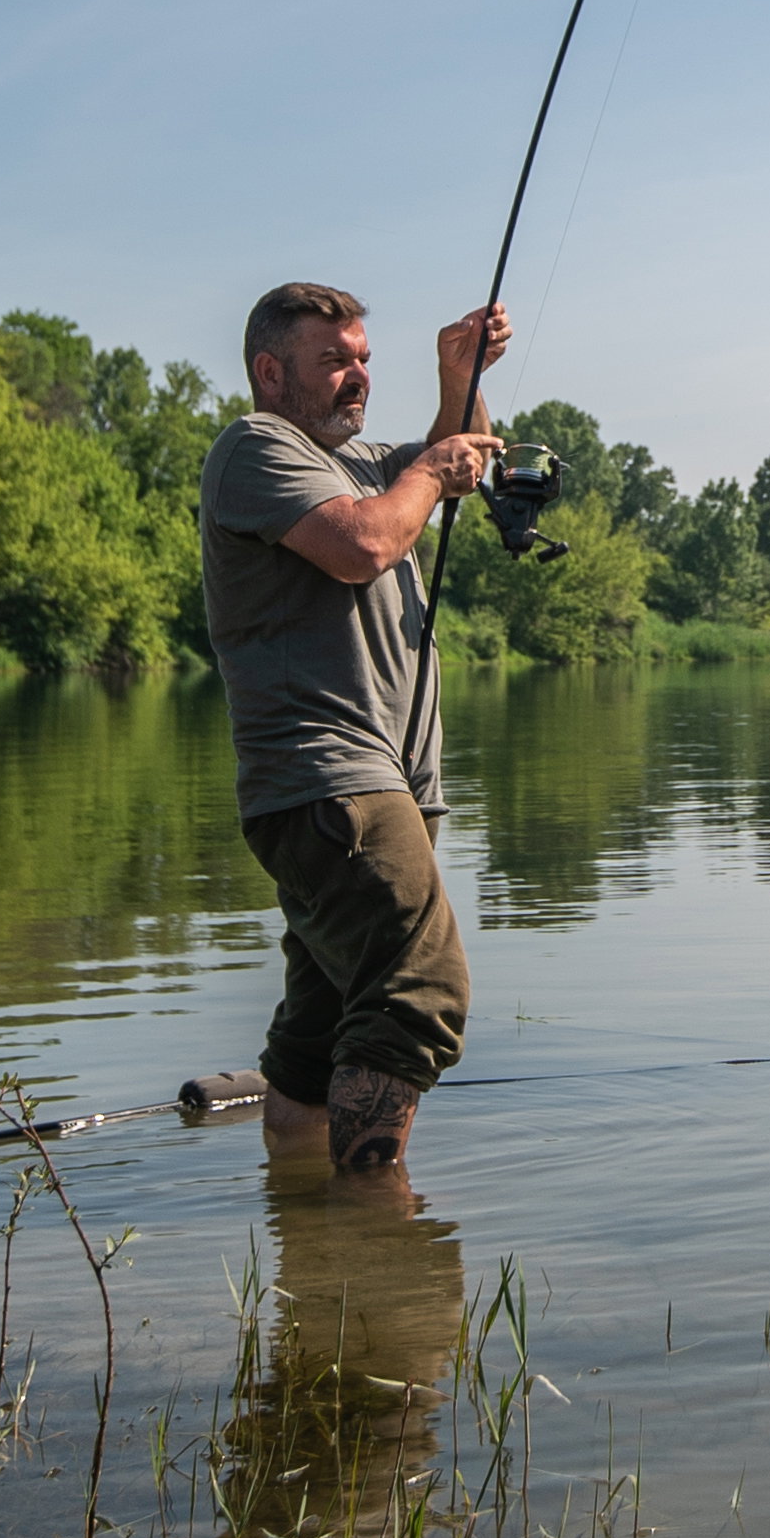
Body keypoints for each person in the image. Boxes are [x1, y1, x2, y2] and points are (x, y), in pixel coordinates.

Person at [198, 279, 509, 1176]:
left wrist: (461, 375)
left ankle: (303, 1224)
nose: (357, 376)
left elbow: (462, 458)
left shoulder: (370, 462)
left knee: (322, 1021)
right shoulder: (254, 447)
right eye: (334, 360)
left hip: (377, 786)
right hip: (331, 779)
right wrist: (428, 471)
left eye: (365, 359)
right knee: (420, 995)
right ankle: (373, 1231)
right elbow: (364, 545)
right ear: (271, 371)